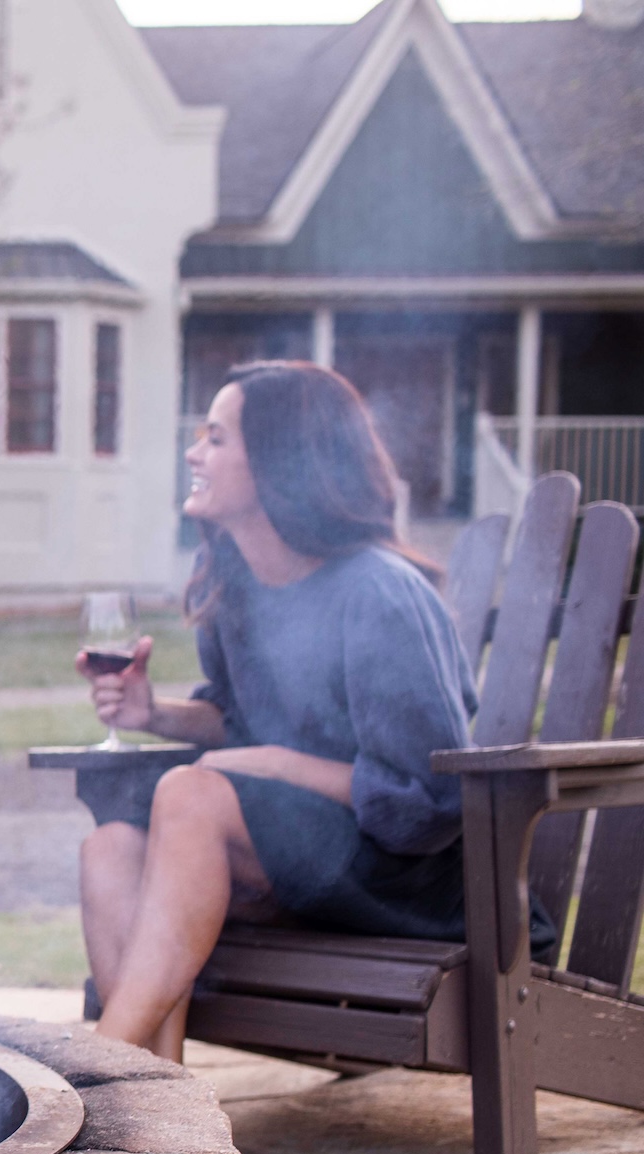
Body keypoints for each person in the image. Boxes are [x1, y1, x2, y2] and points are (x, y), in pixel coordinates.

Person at [77, 360, 549, 1062]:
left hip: (413, 885)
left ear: (281, 461)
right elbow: (238, 721)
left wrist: (274, 763)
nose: (193, 452)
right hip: (302, 865)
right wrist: (156, 713)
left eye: (217, 438)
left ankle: (94, 1073)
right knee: (109, 846)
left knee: (190, 794)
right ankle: (163, 1120)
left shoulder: (378, 593)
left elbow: (431, 797)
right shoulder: (237, 588)